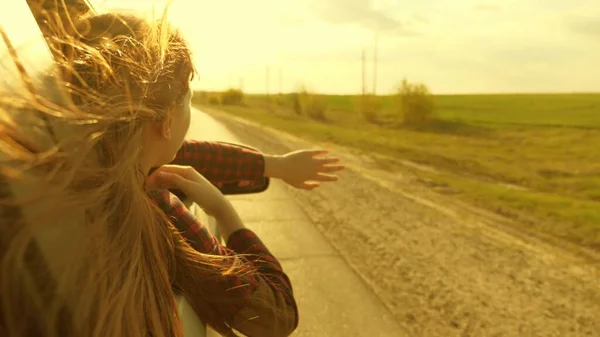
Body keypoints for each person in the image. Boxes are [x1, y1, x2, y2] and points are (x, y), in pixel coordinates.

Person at [0, 11, 340, 337]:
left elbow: (191, 153)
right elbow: (276, 314)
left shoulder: (61, 161)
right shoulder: (159, 211)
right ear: (165, 123)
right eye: (188, 99)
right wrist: (225, 213)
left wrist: (275, 165)